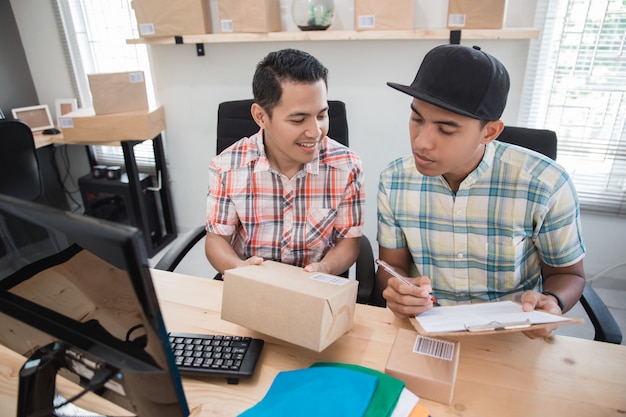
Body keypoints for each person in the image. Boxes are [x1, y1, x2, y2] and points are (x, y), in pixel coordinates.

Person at [377, 44, 586, 338]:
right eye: (417, 119)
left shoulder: (545, 183)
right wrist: (398, 288)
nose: (422, 142)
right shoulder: (394, 179)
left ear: (489, 132)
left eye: (446, 129)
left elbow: (568, 274)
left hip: (512, 334)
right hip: (428, 329)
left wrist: (552, 301)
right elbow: (392, 265)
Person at [205, 48, 365, 277]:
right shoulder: (226, 167)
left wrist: (324, 268)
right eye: (299, 119)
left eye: (321, 115)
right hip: (251, 282)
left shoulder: (347, 167)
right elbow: (216, 240)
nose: (315, 131)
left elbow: (349, 243)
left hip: (316, 285)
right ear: (261, 117)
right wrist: (240, 269)